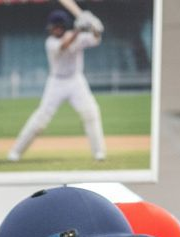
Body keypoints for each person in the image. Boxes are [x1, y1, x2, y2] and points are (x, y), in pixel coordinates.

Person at [6, 8, 106, 163]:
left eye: (57, 26)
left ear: (63, 26)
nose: (54, 29)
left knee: (91, 113)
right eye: (53, 26)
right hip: (56, 82)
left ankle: (99, 153)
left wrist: (96, 26)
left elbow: (95, 39)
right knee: (40, 119)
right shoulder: (51, 42)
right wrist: (79, 29)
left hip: (76, 80)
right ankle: (15, 152)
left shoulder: (76, 37)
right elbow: (64, 45)